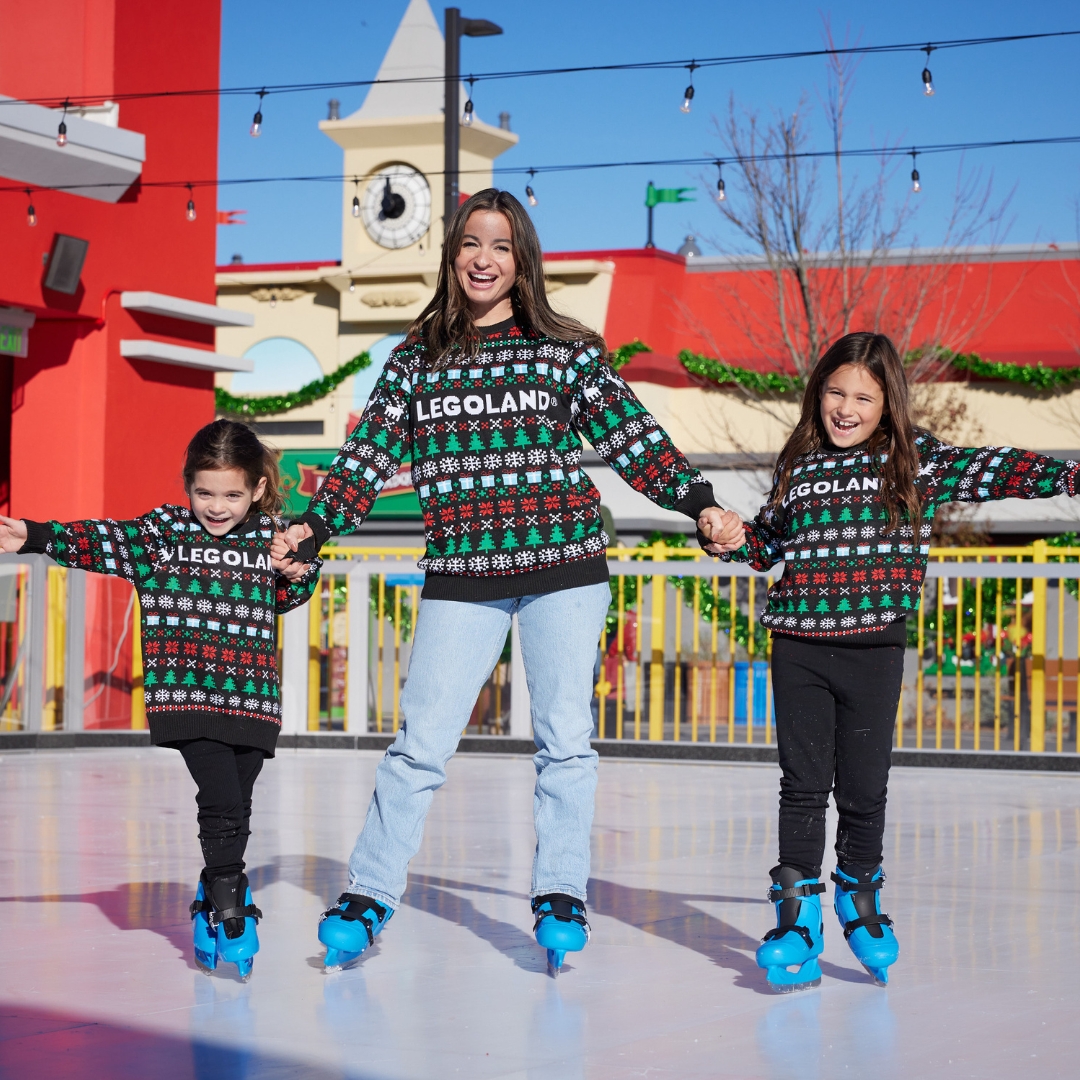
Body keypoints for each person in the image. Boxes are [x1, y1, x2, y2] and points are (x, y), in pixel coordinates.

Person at [279, 188, 744, 974]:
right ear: (452, 255)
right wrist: (316, 527)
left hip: (564, 564)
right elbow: (367, 463)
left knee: (565, 739)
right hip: (464, 570)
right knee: (419, 743)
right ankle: (369, 893)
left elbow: (635, 439)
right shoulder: (416, 358)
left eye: (498, 244)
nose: (482, 258)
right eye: (469, 243)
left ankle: (560, 892)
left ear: (520, 258)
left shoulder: (564, 350)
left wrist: (699, 503)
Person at [700, 331, 1080, 992]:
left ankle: (859, 891)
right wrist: (730, 535)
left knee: (866, 787)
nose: (845, 408)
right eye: (835, 392)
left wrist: (1070, 475)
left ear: (887, 404)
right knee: (803, 785)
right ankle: (798, 920)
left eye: (863, 398)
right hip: (798, 643)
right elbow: (768, 544)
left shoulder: (913, 460)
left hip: (874, 648)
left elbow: (991, 468)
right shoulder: (800, 461)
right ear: (818, 392)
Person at [0, 419, 321, 980]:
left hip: (249, 699)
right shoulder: (164, 534)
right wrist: (34, 534)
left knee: (236, 804)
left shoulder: (272, 537)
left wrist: (296, 569)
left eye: (230, 494)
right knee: (221, 801)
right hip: (187, 693)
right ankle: (230, 901)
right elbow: (100, 539)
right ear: (187, 485)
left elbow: (293, 592)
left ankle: (208, 894)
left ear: (256, 491)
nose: (216, 507)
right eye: (204, 492)